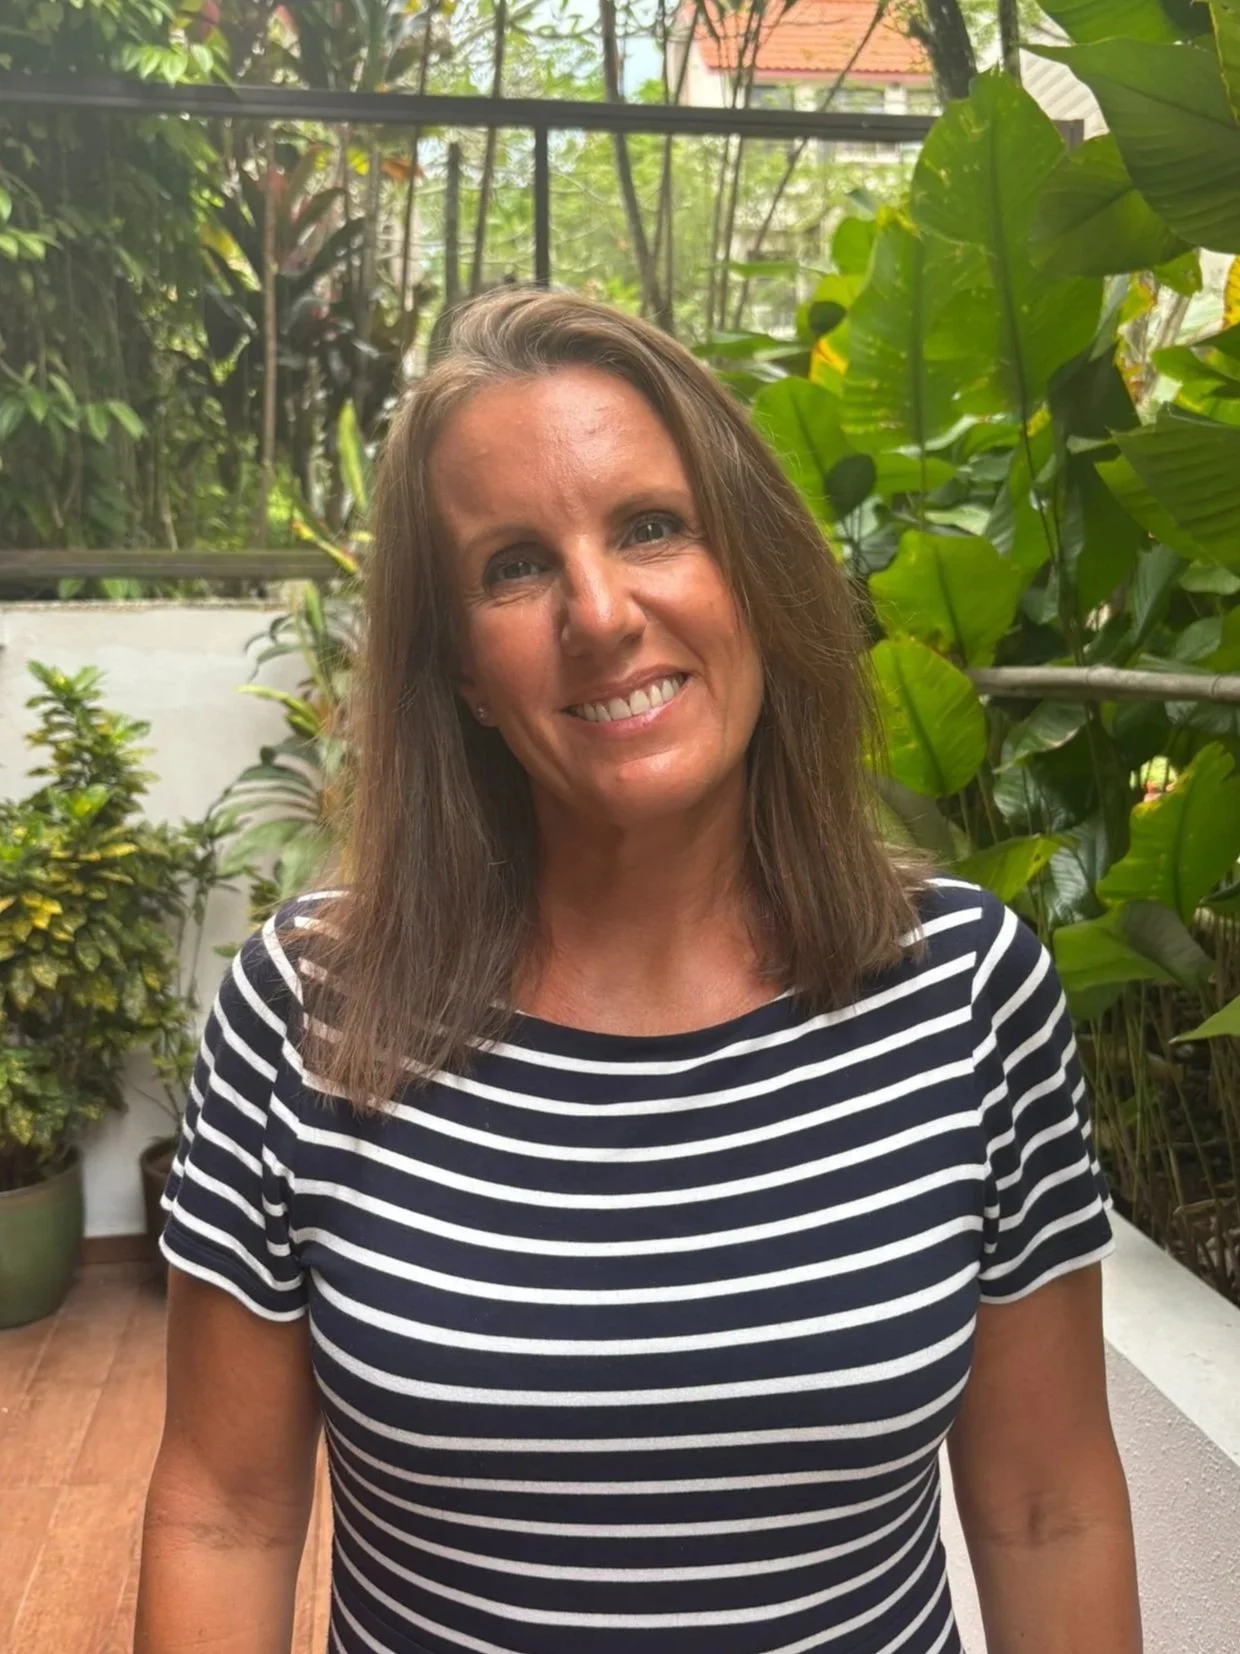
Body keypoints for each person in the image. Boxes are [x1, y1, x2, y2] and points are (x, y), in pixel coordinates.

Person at [136, 290, 1141, 1654]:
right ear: (465, 680)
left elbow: (1044, 1507)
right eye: (512, 566)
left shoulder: (965, 996)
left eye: (652, 526)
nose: (600, 613)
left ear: (755, 576)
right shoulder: (309, 1014)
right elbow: (225, 1512)